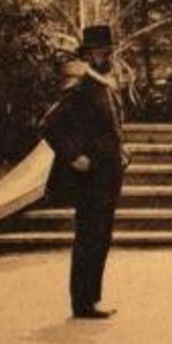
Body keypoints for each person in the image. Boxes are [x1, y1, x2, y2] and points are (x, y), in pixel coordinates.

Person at [40, 25, 130, 320]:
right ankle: (82, 303)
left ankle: (91, 299)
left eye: (111, 52)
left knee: (101, 238)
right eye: (105, 52)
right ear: (90, 56)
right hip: (90, 180)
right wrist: (73, 156)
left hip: (108, 176)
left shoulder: (105, 87)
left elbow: (112, 128)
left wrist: (122, 149)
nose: (110, 56)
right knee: (89, 239)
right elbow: (49, 125)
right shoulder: (80, 89)